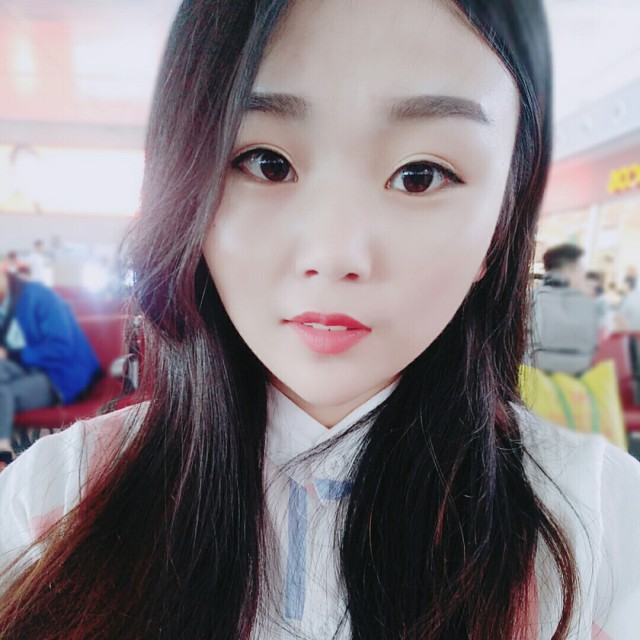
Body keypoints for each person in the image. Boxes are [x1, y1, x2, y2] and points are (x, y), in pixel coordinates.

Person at [0, 1, 639, 638]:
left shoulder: (605, 528)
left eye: (420, 176)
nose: (334, 256)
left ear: (500, 224)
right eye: (267, 163)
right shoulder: (53, 501)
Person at [0, 271, 100, 469]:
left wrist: (13, 355)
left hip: (60, 376)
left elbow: (60, 349)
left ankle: (3, 455)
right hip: (25, 369)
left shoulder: (40, 298)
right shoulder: (5, 306)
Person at [528, 244, 600, 374]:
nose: (582, 276)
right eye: (580, 270)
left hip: (533, 379)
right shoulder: (584, 303)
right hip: (576, 383)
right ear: (568, 270)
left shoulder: (531, 298)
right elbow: (592, 349)